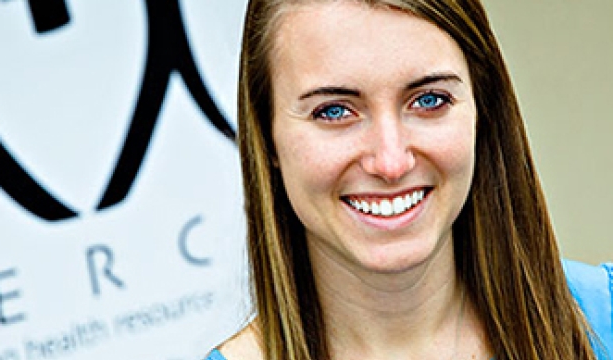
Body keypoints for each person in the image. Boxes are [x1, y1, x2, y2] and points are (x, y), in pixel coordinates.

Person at [207, 0, 613, 359]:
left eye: (429, 100)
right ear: (268, 139)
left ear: (482, 112)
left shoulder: (604, 318)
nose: (391, 162)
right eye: (333, 111)